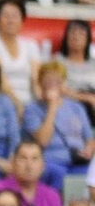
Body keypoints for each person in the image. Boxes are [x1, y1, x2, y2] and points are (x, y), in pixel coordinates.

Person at [23, 62, 95, 196]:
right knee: (57, 174)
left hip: (78, 158)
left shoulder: (76, 107)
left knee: (89, 176)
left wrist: (89, 149)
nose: (53, 85)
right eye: (48, 81)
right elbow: (43, 141)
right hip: (51, 159)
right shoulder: (32, 109)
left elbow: (89, 138)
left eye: (57, 81)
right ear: (40, 83)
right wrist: (52, 108)